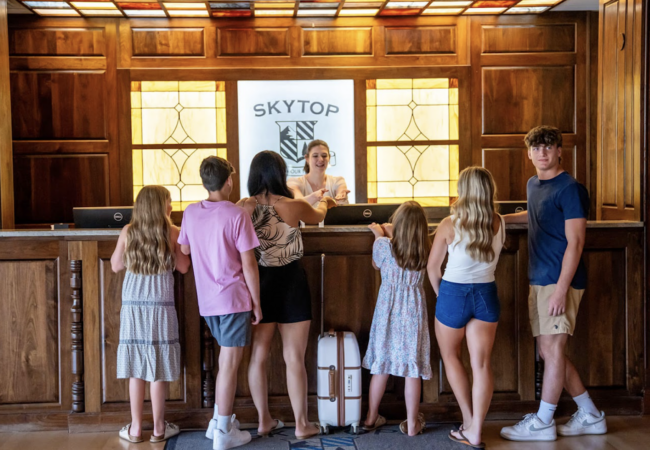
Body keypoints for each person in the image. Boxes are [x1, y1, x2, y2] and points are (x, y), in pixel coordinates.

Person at [500, 126, 606, 442]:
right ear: (529, 153)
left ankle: (544, 421)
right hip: (539, 278)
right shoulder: (535, 184)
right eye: (537, 147)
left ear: (560, 151)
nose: (543, 152)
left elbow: (576, 243)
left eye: (549, 147)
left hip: (559, 281)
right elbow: (533, 214)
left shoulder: (571, 189)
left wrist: (561, 288)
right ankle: (590, 414)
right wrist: (498, 219)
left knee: (554, 348)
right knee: (549, 351)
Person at [238, 150, 337, 440]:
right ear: (280, 174)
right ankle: (302, 424)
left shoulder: (243, 206)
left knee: (258, 356)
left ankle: (263, 421)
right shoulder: (292, 206)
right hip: (292, 282)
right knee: (294, 357)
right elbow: (319, 214)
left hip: (260, 283)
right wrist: (326, 200)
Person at [177, 156, 262, 450]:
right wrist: (257, 302)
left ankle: (217, 422)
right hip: (234, 299)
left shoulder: (190, 212)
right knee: (229, 364)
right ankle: (225, 430)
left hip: (208, 302)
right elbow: (249, 264)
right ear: (229, 181)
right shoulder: (237, 215)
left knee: (224, 361)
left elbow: (185, 248)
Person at [427, 167, 506, 448]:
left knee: (451, 357)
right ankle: (475, 430)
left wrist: (442, 297)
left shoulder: (450, 223)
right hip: (487, 295)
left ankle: (469, 420)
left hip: (453, 293)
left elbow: (433, 268)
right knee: (481, 364)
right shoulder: (499, 222)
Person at [111, 185, 190, 444]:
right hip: (161, 305)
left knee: (136, 366)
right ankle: (158, 429)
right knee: (157, 366)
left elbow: (115, 265)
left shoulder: (129, 231)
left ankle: (135, 429)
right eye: (168, 201)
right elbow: (183, 267)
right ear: (159, 205)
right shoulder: (172, 232)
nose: (171, 206)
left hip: (133, 305)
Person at [362, 201, 432, 437]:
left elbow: (376, 263)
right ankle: (412, 424)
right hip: (413, 312)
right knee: (412, 369)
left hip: (387, 313)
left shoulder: (384, 246)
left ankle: (371, 417)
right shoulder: (426, 249)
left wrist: (378, 234)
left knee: (380, 364)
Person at [287, 139, 350, 206]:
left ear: (329, 157)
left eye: (324, 156)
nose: (320, 159)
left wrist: (341, 198)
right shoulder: (293, 182)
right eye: (315, 156)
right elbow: (298, 203)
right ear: (307, 158)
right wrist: (314, 197)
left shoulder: (338, 180)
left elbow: (341, 192)